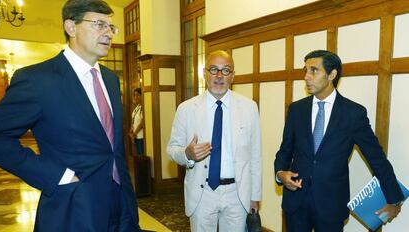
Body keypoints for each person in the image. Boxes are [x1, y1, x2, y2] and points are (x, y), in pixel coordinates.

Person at [0, 0, 140, 231]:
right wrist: (56, 176)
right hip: (73, 204)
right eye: (99, 24)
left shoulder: (111, 80)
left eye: (111, 27)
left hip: (120, 201)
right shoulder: (37, 80)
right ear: (71, 28)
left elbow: (110, 146)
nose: (108, 33)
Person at [274, 50, 404, 232]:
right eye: (305, 70)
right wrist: (280, 173)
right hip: (296, 203)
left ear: (332, 75)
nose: (306, 77)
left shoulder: (353, 113)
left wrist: (394, 199)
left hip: (331, 205)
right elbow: (285, 150)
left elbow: (377, 158)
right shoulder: (296, 110)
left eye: (313, 71)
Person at [167, 50, 262, 231]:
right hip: (202, 193)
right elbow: (172, 150)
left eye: (225, 70)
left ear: (233, 75)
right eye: (214, 69)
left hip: (237, 194)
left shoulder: (249, 107)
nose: (219, 76)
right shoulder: (186, 109)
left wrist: (255, 196)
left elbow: (255, 156)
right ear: (204, 74)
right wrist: (187, 154)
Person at [130, 88, 144, 156]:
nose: (136, 97)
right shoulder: (137, 107)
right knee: (138, 155)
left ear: (142, 95)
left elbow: (142, 123)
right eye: (134, 95)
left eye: (138, 95)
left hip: (140, 136)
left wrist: (134, 133)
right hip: (135, 136)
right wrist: (131, 132)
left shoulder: (143, 107)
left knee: (141, 155)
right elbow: (133, 120)